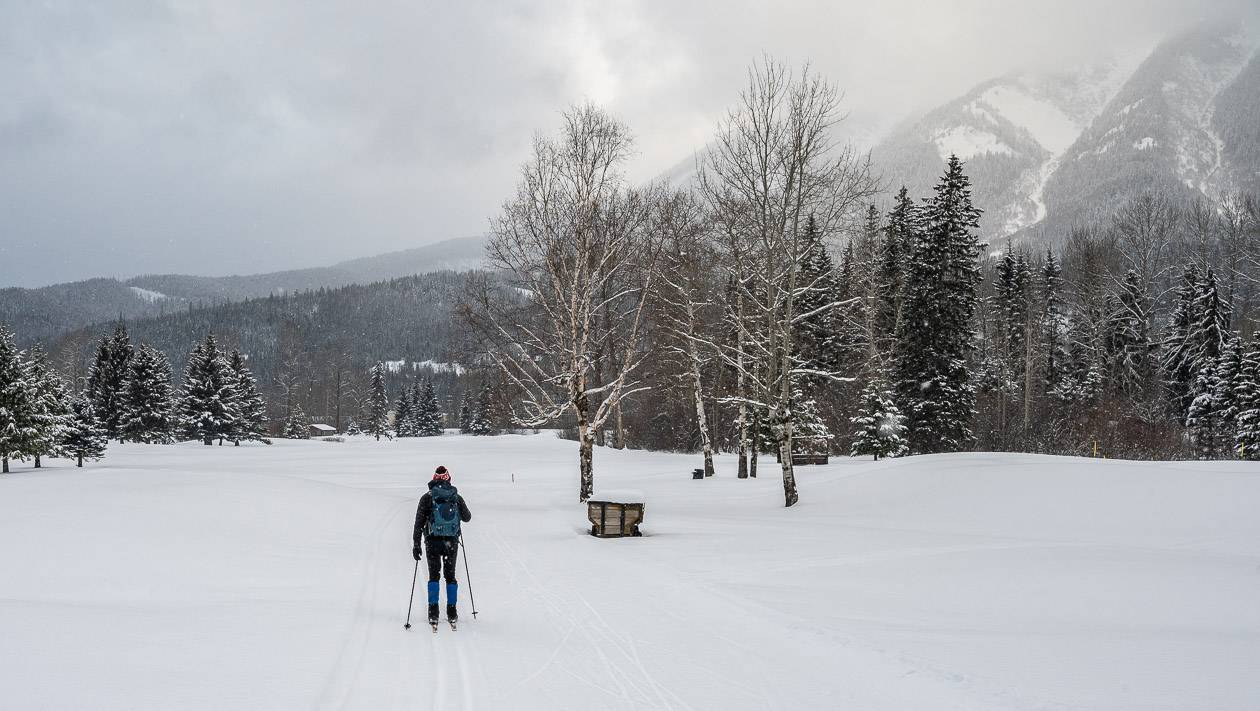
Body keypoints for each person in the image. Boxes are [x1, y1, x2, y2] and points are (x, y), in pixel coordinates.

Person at [413, 465, 472, 626]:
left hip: (432, 542)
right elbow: (467, 518)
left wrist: (416, 544)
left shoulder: (427, 497)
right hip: (451, 543)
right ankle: (452, 612)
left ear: (434, 478)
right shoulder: (456, 497)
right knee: (450, 576)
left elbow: (418, 523)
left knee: (434, 576)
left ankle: (433, 613)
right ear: (448, 478)